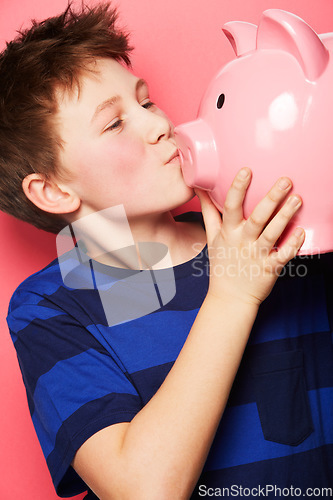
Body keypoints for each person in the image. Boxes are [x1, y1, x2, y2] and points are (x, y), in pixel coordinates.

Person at [1, 4, 332, 499]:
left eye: (147, 102)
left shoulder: (276, 235)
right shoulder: (51, 306)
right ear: (53, 191)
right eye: (114, 124)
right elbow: (143, 490)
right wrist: (233, 295)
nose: (160, 125)